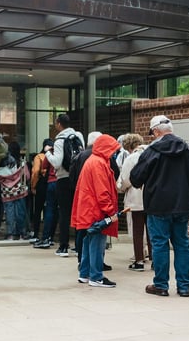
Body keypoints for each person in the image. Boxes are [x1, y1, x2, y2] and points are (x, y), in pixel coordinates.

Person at [129, 115, 189, 297]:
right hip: (183, 204)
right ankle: (184, 286)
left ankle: (161, 285)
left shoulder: (152, 152)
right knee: (182, 244)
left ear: (157, 131)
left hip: (158, 205)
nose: (152, 137)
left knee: (159, 244)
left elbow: (136, 178)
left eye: (152, 133)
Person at [70, 134, 121, 287]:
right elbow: (102, 192)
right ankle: (96, 276)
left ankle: (84, 274)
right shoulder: (99, 163)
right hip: (96, 211)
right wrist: (111, 212)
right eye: (112, 150)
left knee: (88, 240)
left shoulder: (93, 161)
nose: (114, 153)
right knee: (97, 243)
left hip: (88, 209)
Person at [45, 114, 85, 258]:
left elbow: (56, 162)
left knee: (64, 213)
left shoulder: (59, 140)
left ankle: (63, 246)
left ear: (58, 124)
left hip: (63, 179)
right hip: (78, 178)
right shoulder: (78, 136)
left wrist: (47, 153)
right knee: (79, 212)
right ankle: (79, 246)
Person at [117, 133, 150, 271]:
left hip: (135, 198)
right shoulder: (152, 154)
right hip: (151, 198)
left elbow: (125, 180)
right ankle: (155, 259)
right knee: (152, 230)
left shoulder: (131, 158)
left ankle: (139, 260)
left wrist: (120, 187)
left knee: (137, 231)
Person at [0, 142, 30, 240]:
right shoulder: (21, 162)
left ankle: (10, 233)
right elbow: (27, 176)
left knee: (9, 213)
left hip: (6, 192)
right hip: (19, 191)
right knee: (20, 212)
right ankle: (22, 232)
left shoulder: (2, 162)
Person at [30, 139, 55, 245]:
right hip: (52, 184)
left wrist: (33, 186)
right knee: (50, 211)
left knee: (38, 210)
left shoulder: (39, 157)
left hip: (41, 185)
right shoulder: (55, 156)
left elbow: (35, 172)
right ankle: (50, 236)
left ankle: (36, 233)